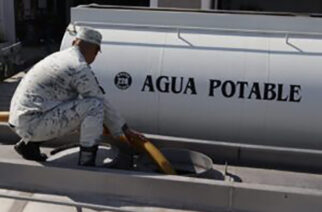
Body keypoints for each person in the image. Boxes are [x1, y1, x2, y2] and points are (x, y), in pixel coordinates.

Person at [9, 27, 144, 166]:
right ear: (96, 50)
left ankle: (28, 146)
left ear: (74, 42)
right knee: (94, 106)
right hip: (32, 124)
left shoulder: (58, 57)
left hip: (19, 119)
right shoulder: (78, 67)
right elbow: (99, 100)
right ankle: (87, 161)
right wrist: (123, 130)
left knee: (76, 102)